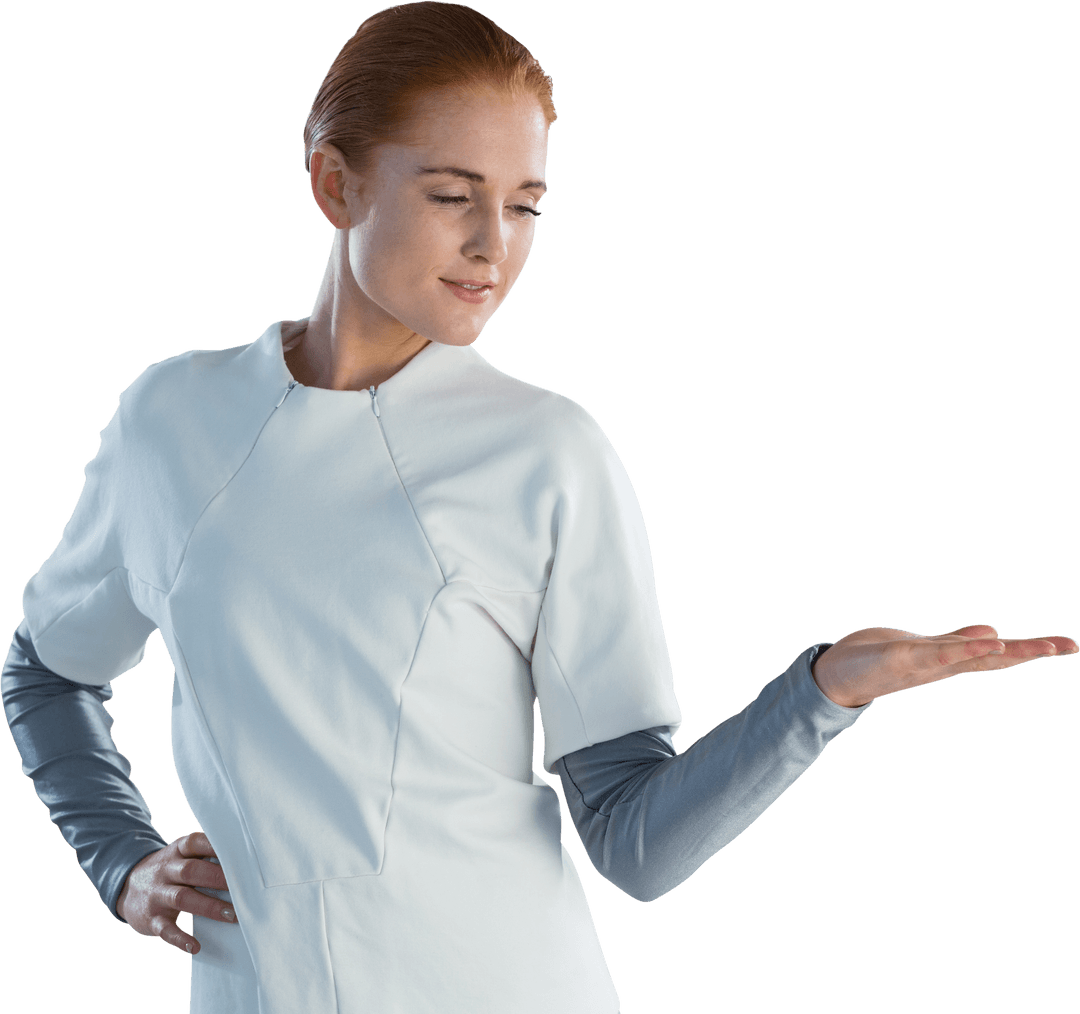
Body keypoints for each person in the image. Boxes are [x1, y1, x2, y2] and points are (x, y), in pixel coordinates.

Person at [2, 4, 1075, 1013]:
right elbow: (49, 666)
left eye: (524, 205)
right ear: (335, 183)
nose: (493, 244)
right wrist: (117, 860)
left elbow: (633, 840)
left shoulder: (545, 452)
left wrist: (823, 692)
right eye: (450, 194)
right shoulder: (171, 422)